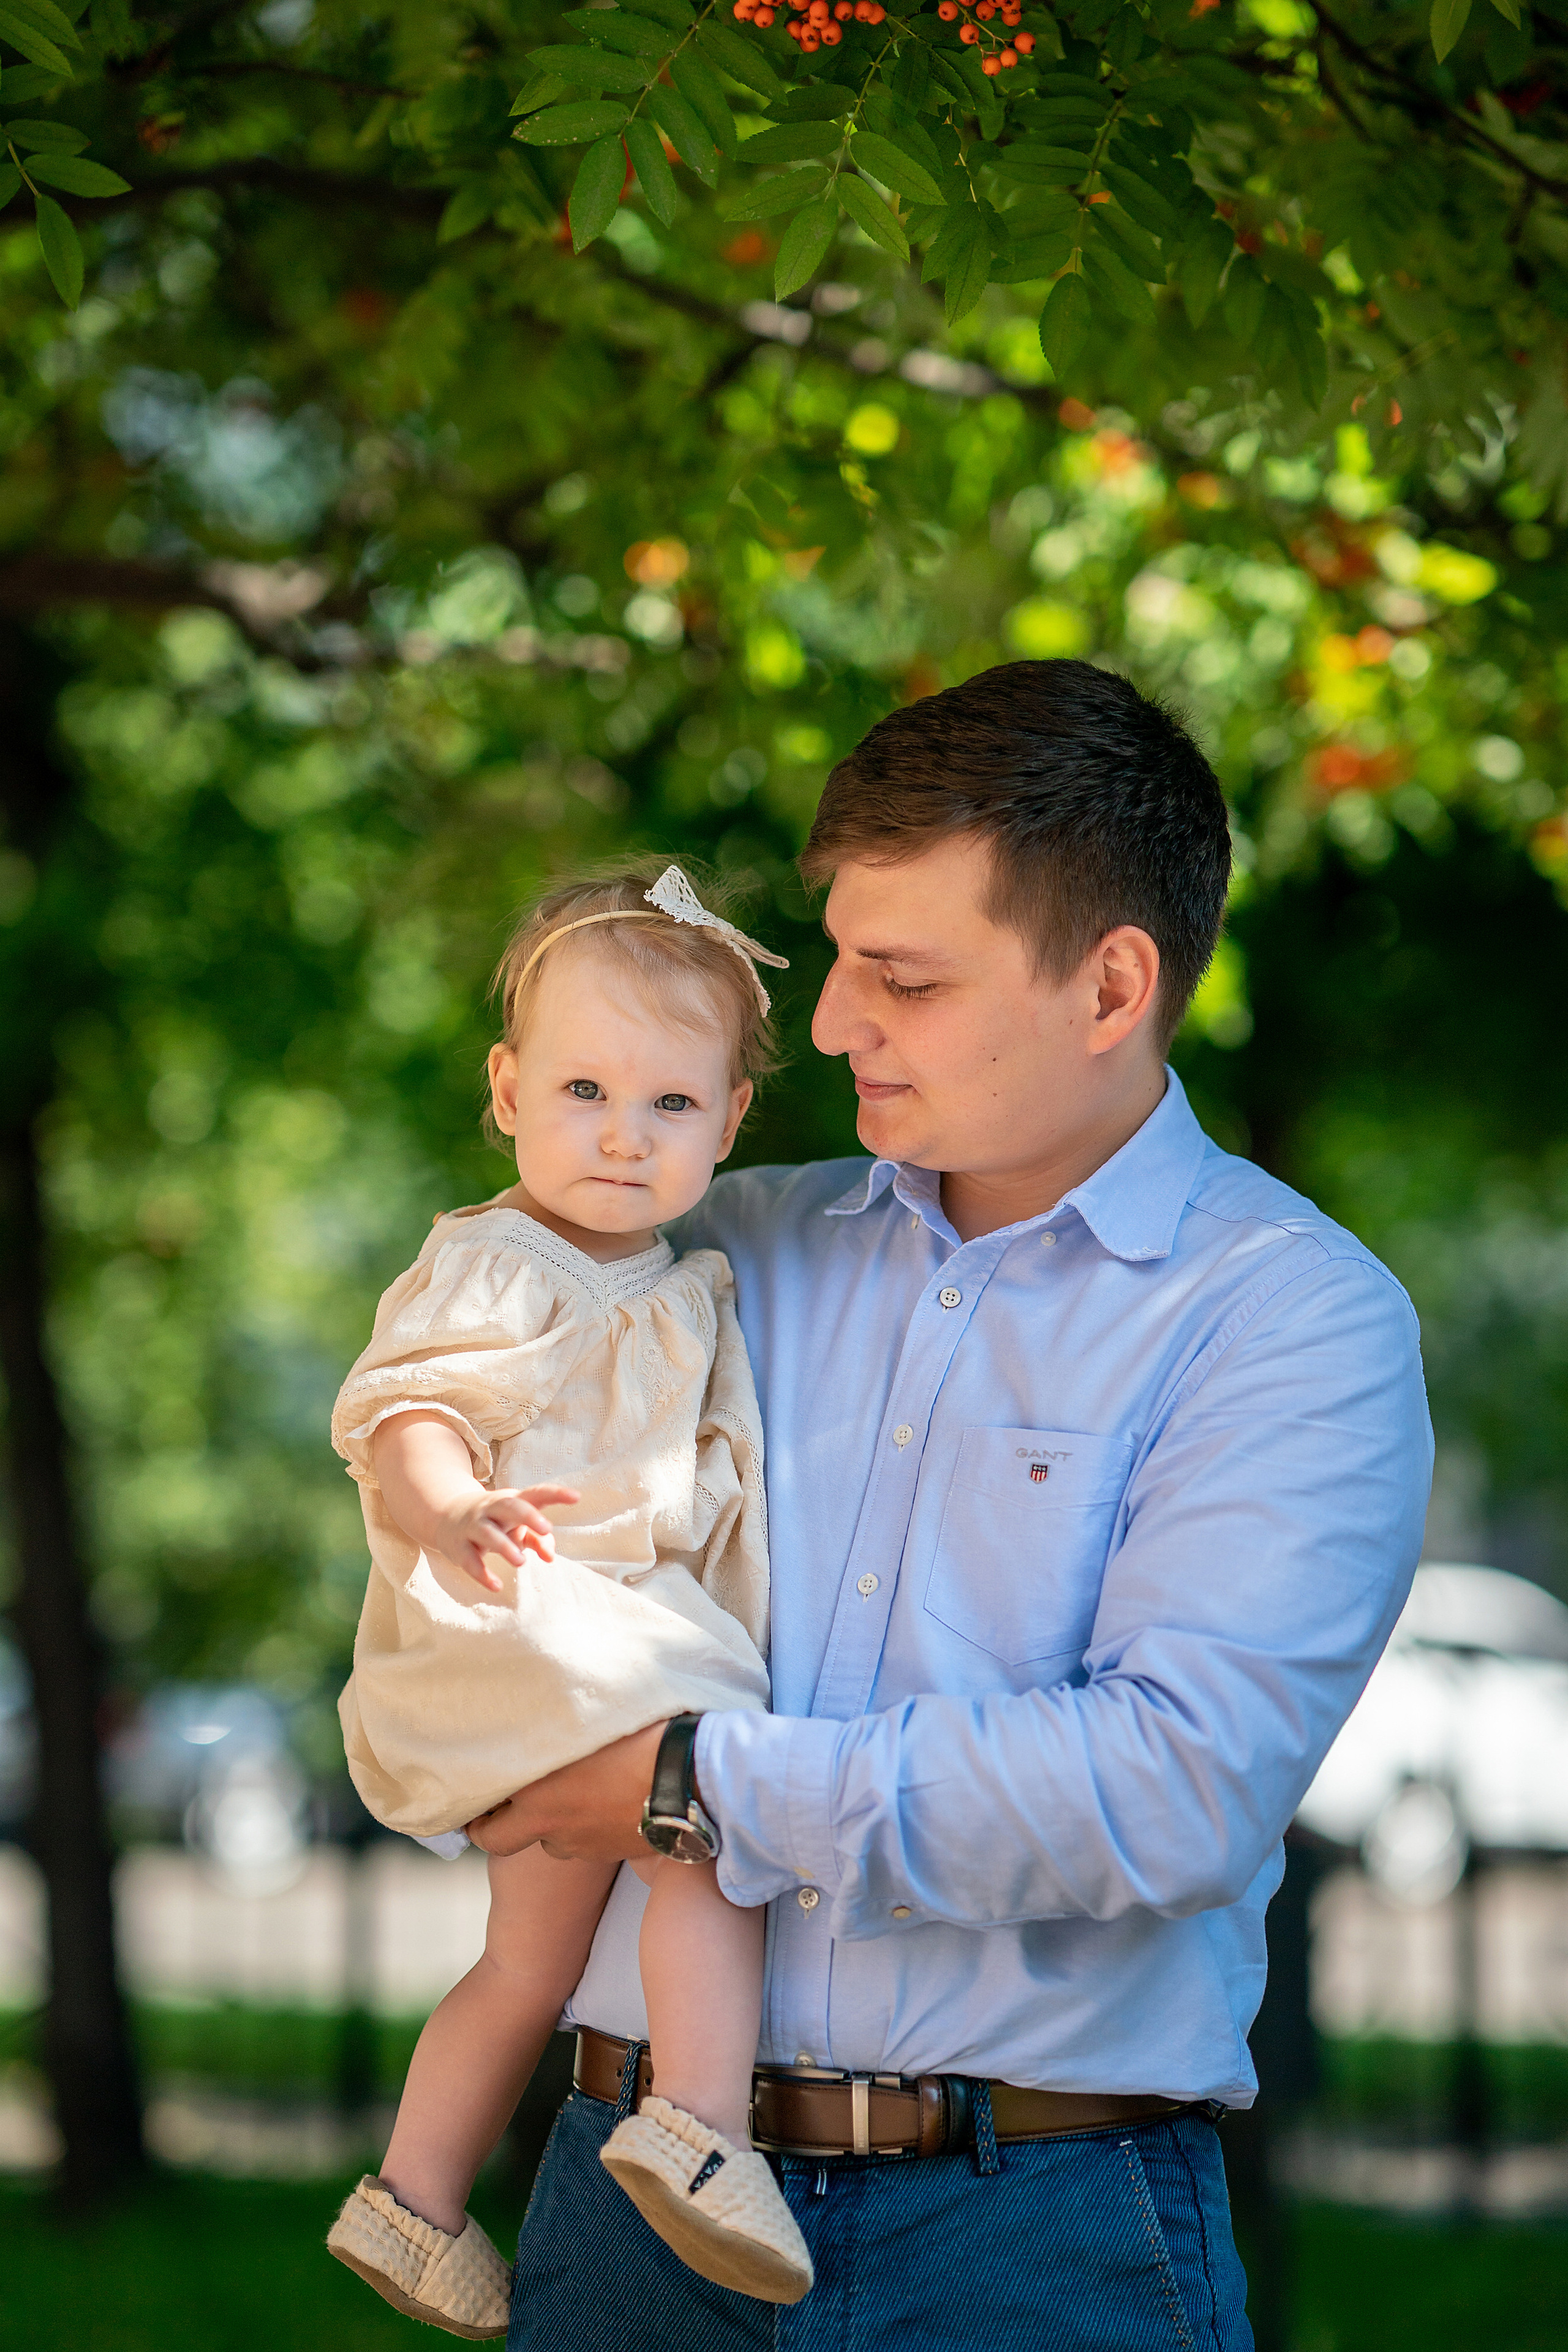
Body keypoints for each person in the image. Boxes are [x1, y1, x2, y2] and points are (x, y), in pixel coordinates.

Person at [467, 659, 1434, 2351]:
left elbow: (1172, 1786)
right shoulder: (711, 1253)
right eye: (839, 959)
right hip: (628, 2218)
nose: (833, 1022)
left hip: (1038, 2239)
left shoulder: (1293, 1318)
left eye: (900, 977)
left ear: (1111, 985)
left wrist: (692, 1790)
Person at [325, 865, 816, 2340]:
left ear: (730, 1122)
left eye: (671, 1107)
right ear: (507, 1090)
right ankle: (698, 2129)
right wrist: (454, 1504)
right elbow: (407, 1411)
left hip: (597, 1641)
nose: (621, 1134)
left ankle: (411, 2200)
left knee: (528, 1958)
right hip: (533, 1612)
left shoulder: (685, 1284)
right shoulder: (498, 1260)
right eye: (586, 1090)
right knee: (710, 1828)